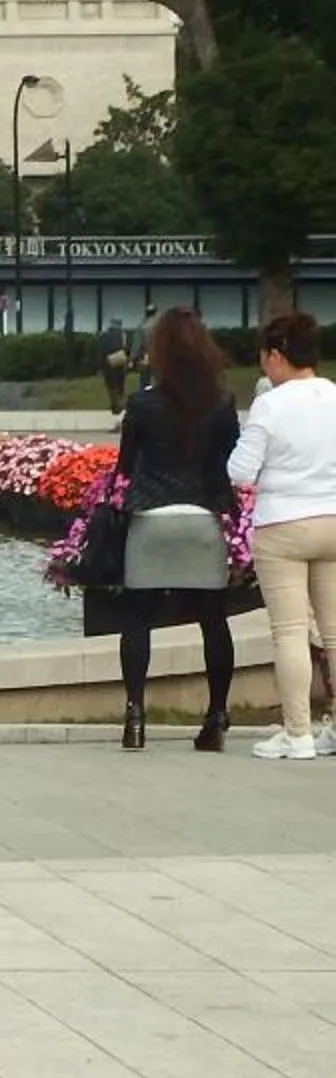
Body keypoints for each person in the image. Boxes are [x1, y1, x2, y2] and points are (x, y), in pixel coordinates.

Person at [110, 308, 242, 751]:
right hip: (203, 519)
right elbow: (230, 462)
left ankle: (135, 715)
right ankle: (216, 717)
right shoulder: (222, 403)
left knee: (137, 618)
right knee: (213, 621)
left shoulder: (143, 403)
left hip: (152, 518)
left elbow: (125, 467)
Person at [229, 311, 336, 762]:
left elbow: (239, 471)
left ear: (277, 355)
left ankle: (298, 733)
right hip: (332, 519)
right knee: (334, 632)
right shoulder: (334, 396)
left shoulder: (270, 405)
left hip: (282, 526)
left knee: (290, 631)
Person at [100, 318, 134, 417]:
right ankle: (120, 402)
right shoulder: (123, 335)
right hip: (121, 363)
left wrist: (101, 366)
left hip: (109, 365)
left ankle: (116, 405)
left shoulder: (105, 335)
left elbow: (101, 351)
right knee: (120, 385)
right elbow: (128, 348)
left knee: (111, 386)